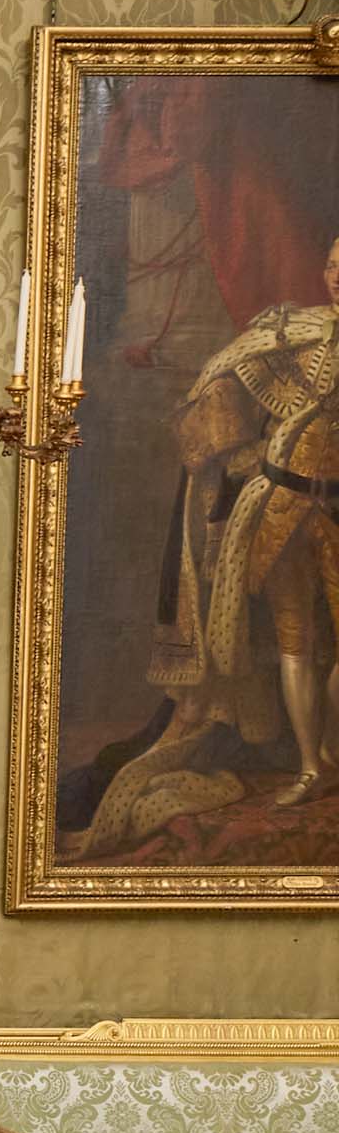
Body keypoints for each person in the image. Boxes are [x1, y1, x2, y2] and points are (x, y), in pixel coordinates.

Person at [78, 235, 339, 844]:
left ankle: (332, 751)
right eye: (330, 265)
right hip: (276, 506)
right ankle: (310, 765)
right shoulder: (287, 330)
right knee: (297, 642)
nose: (335, 277)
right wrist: (234, 452)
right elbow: (221, 378)